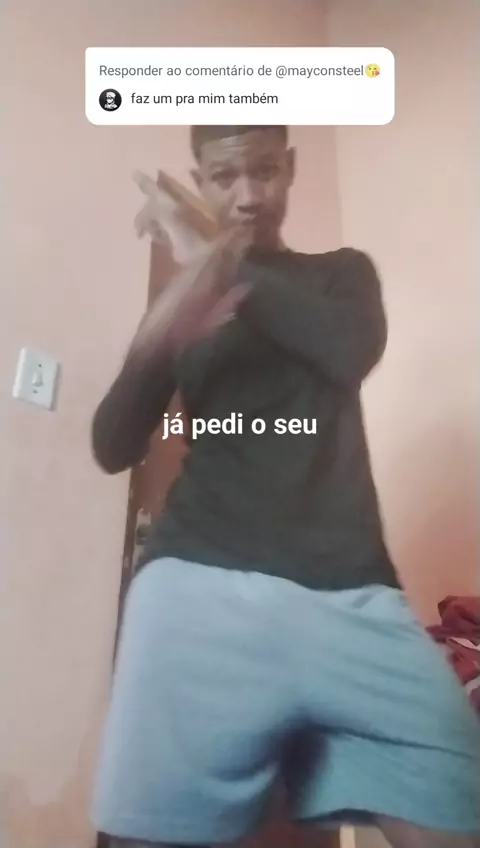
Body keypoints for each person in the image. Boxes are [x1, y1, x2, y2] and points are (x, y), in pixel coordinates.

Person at [90, 125, 480, 848]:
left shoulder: (340, 274)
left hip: (354, 597)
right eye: (224, 177)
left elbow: (349, 350)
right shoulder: (187, 301)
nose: (247, 196)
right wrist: (175, 310)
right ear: (199, 181)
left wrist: (217, 262)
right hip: (198, 589)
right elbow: (113, 443)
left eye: (264, 170)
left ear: (291, 168)